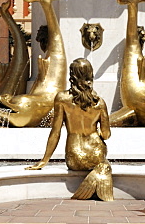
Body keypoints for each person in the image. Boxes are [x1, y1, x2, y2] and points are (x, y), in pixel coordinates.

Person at [26, 58, 113, 201]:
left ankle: (89, 187)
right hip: (96, 154)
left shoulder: (62, 99)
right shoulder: (99, 102)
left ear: (72, 75)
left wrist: (44, 160)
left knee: (92, 162)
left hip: (74, 157)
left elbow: (56, 131)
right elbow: (106, 134)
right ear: (90, 75)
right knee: (104, 164)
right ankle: (98, 178)